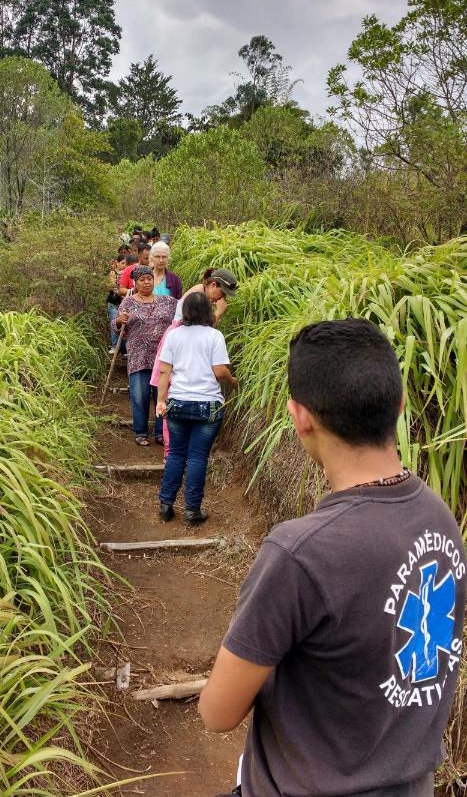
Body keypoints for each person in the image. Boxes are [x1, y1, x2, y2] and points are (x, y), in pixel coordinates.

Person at [199, 318, 466, 797]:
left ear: (299, 416)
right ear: (400, 404)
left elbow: (217, 713)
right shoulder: (440, 518)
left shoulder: (300, 553)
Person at [155, 292, 237, 523]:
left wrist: (161, 400)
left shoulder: (174, 336)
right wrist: (233, 382)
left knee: (176, 455)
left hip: (178, 402)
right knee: (198, 457)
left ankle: (166, 505)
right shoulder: (214, 336)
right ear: (207, 312)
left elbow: (164, 371)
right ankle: (192, 510)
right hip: (207, 405)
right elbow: (220, 371)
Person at [150, 267, 238, 459]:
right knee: (169, 397)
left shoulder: (200, 292)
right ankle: (170, 451)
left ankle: (173, 453)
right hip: (180, 349)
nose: (220, 299)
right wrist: (220, 312)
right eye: (221, 293)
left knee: (170, 398)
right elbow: (199, 330)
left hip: (177, 346)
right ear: (213, 284)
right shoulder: (198, 294)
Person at [116, 266, 176, 447]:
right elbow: (116, 325)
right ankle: (140, 432)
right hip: (138, 356)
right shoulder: (128, 303)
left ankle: (160, 432)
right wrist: (119, 321)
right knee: (139, 395)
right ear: (135, 282)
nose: (146, 282)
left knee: (162, 394)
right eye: (142, 279)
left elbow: (181, 316)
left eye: (149, 278)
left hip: (163, 357)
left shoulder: (168, 302)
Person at [106, 254, 127, 353]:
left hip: (123, 303)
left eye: (126, 264)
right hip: (114, 302)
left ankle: (124, 348)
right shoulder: (113, 273)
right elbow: (112, 286)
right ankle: (114, 346)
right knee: (114, 323)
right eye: (122, 263)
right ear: (117, 263)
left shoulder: (127, 273)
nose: (124, 265)